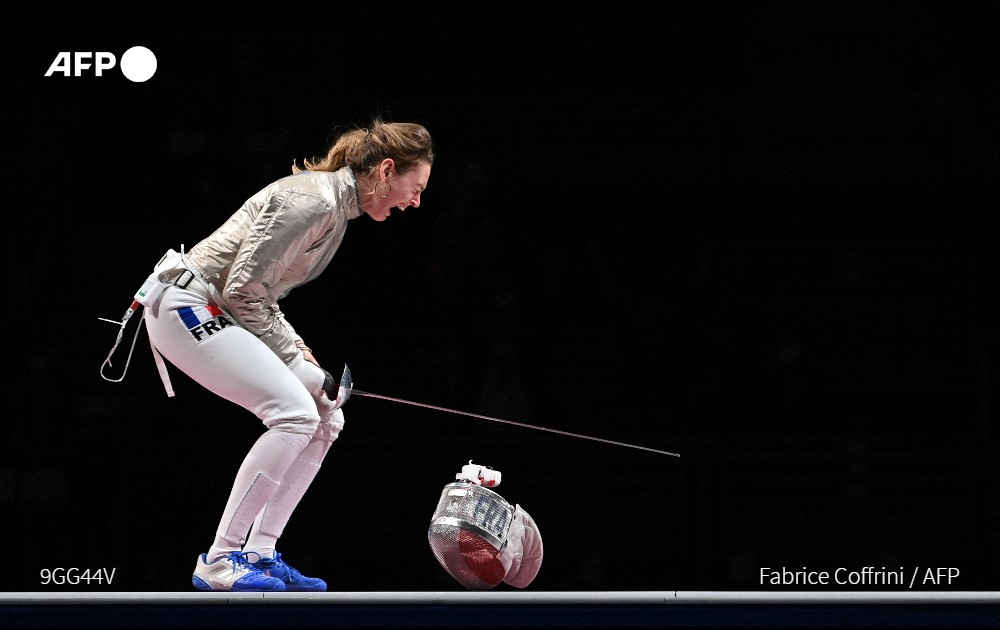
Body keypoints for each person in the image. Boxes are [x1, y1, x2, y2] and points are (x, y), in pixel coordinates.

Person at [138, 118, 434, 592]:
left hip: (218, 307)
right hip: (186, 305)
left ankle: (260, 552)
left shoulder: (335, 211)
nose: (415, 201)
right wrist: (299, 366)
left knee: (323, 416)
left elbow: (260, 296)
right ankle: (220, 559)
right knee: (295, 413)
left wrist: (299, 352)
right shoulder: (313, 202)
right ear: (385, 170)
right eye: (414, 187)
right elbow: (241, 291)